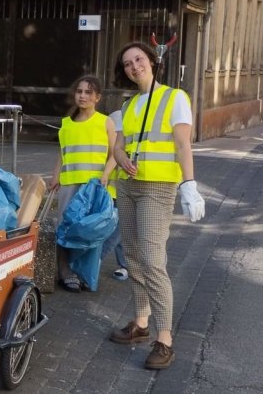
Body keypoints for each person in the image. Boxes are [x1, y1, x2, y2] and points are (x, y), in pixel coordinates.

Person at [109, 41, 205, 370]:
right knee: (133, 257)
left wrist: (189, 184)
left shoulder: (175, 98)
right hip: (127, 185)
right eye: (127, 64)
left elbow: (182, 143)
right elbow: (118, 146)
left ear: (151, 61)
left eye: (139, 59)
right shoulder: (128, 105)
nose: (134, 66)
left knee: (152, 260)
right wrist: (121, 157)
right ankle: (140, 323)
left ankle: (164, 339)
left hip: (158, 187)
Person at [48, 75, 116, 293]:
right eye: (79, 91)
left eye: (88, 92)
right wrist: (56, 176)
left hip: (94, 187)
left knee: (90, 230)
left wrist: (106, 175)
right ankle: (65, 272)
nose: (83, 96)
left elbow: (115, 154)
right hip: (70, 184)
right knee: (65, 228)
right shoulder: (66, 124)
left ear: (97, 97)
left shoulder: (105, 122)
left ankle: (84, 273)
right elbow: (63, 153)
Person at [102, 108, 128, 281]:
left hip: (127, 189)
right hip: (110, 189)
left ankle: (100, 257)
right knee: (118, 228)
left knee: (119, 228)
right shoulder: (114, 117)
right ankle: (125, 264)